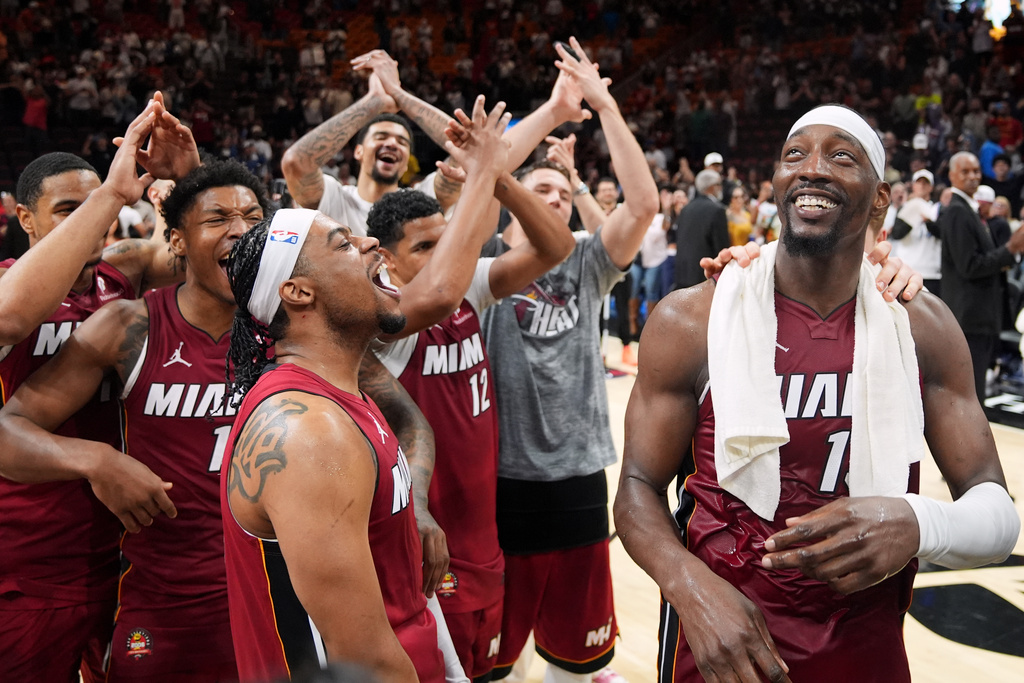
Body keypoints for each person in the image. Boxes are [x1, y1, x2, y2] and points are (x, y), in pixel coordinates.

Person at [615, 104, 1019, 683]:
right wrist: (690, 589)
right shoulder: (693, 318)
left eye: (841, 156)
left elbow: (997, 512)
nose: (812, 169)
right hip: (725, 640)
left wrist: (917, 523)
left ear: (880, 198)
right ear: (776, 183)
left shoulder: (921, 325)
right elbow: (636, 490)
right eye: (795, 154)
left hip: (865, 641)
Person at [367, 101, 574, 678]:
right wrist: (484, 167)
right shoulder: (383, 314)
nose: (448, 258)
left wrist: (501, 178)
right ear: (385, 260)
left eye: (447, 240)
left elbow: (556, 247)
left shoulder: (466, 290)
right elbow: (428, 299)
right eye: (425, 249)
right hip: (424, 540)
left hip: (484, 534)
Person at [0, 99, 201, 683]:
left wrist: (187, 175)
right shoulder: (8, 289)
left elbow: (211, 262)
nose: (93, 223)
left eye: (97, 206)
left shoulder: (125, 268)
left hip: (132, 545)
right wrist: (108, 196)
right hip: (30, 558)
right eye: (70, 210)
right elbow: (11, 318)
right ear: (24, 218)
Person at [479, 37, 659, 682]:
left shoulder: (585, 261)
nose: (555, 199)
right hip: (502, 476)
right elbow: (484, 173)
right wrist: (551, 114)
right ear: (511, 211)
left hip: (581, 472)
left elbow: (641, 207)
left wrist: (607, 108)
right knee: (497, 659)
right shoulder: (484, 267)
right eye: (542, 190)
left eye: (563, 192)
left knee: (574, 656)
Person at [281, 49, 462, 235]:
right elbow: (296, 162)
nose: (392, 143)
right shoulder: (335, 198)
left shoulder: (423, 199)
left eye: (402, 142)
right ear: (358, 151)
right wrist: (374, 101)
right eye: (381, 136)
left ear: (407, 160)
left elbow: (464, 147)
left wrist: (397, 92)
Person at [939, 151, 1024, 401]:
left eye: (976, 171)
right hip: (970, 317)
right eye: (965, 171)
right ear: (952, 175)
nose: (973, 176)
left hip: (978, 316)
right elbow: (970, 266)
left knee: (976, 392)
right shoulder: (957, 211)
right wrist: (1010, 249)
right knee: (972, 394)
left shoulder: (969, 210)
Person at [672, 168, 729, 290]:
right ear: (711, 187)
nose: (721, 188)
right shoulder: (717, 210)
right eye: (719, 184)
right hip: (705, 275)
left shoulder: (686, 208)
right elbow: (722, 248)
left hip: (682, 273)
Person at [891, 169, 941, 295]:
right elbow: (897, 234)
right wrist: (912, 216)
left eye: (926, 183)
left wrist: (928, 222)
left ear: (931, 187)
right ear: (913, 186)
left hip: (931, 270)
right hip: (908, 267)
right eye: (919, 182)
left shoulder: (938, 208)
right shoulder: (905, 207)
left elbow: (942, 233)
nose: (922, 185)